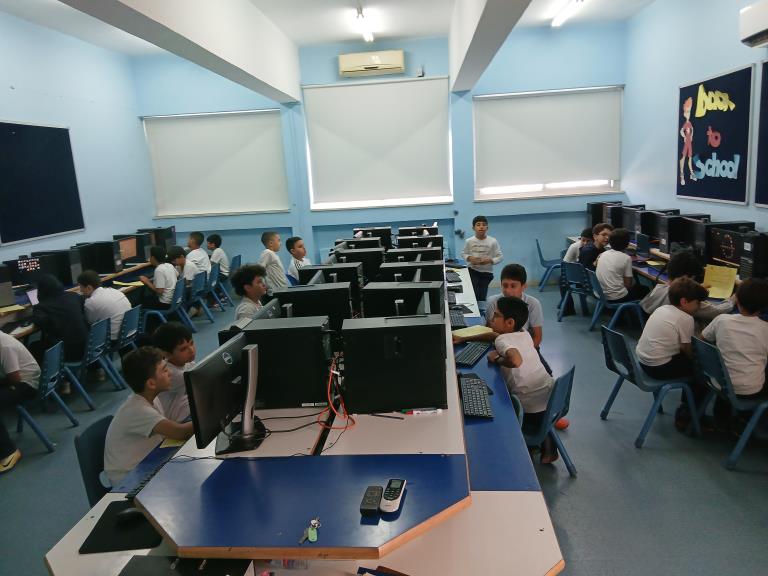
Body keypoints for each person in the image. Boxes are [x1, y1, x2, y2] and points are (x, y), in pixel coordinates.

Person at [103, 346, 193, 486]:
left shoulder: (152, 398)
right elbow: (179, 432)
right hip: (129, 479)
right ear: (151, 383)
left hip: (148, 462)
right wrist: (209, 417)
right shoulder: (138, 410)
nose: (169, 372)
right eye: (164, 370)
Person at [486, 297, 556, 463]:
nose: (491, 319)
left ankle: (528, 451)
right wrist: (465, 338)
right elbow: (494, 335)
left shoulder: (502, 340)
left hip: (527, 407)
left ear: (509, 323)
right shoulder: (524, 333)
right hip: (549, 398)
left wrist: (497, 359)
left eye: (496, 316)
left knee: (495, 403)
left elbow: (516, 361)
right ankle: (548, 448)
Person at [635, 277, 709, 429]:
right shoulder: (686, 319)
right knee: (703, 375)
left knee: (692, 366)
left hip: (643, 362)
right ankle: (689, 415)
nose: (699, 307)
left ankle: (687, 407)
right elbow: (687, 350)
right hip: (659, 368)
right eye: (697, 303)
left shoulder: (662, 309)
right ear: (684, 302)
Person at [702, 278, 768, 401]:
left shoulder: (721, 320)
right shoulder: (765, 328)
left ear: (737, 300)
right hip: (751, 390)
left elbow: (703, 339)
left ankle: (723, 410)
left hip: (719, 384)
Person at [640, 250, 734, 321]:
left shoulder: (659, 288)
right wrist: (733, 299)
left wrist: (695, 288)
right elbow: (717, 311)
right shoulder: (687, 300)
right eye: (693, 279)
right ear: (687, 278)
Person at [0, 332, 41, 473]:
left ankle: (8, 452)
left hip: (26, 385)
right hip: (15, 380)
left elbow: (15, 379)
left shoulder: (4, 346)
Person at [31, 274, 88, 363]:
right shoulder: (74, 296)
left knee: (33, 347)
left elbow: (39, 323)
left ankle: (48, 371)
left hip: (65, 352)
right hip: (86, 347)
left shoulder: (42, 307)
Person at [152, 322, 196, 422]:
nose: (191, 350)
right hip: (176, 419)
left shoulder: (189, 363)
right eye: (183, 349)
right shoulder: (171, 373)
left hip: (184, 410)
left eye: (191, 343)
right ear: (167, 354)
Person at [595, 228, 650, 303]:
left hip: (600, 295)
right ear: (627, 244)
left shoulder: (603, 254)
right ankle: (640, 310)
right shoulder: (626, 258)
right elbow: (628, 285)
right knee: (645, 289)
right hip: (617, 298)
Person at [77, 270, 132, 342]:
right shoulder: (114, 290)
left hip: (113, 339)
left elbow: (90, 323)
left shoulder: (91, 302)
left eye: (81, 287)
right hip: (130, 331)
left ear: (89, 288)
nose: (81, 291)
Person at [461, 215, 503, 302]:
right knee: (474, 293)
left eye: (484, 225)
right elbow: (463, 253)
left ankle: (481, 309)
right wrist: (470, 258)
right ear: (473, 228)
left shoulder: (493, 241)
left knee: (482, 295)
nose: (481, 227)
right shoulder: (469, 241)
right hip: (473, 270)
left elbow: (500, 256)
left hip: (486, 273)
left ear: (487, 227)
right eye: (478, 224)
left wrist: (490, 260)